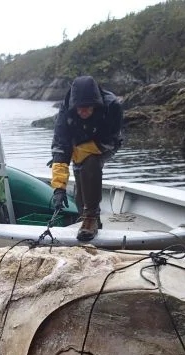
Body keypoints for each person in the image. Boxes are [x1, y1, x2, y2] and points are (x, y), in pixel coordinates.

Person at [49, 75, 123, 241]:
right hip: (77, 143)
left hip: (104, 143)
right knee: (79, 176)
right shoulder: (66, 110)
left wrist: (78, 153)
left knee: (90, 161)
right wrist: (59, 188)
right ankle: (88, 217)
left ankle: (90, 218)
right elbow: (61, 145)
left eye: (88, 108)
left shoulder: (112, 106)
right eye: (79, 108)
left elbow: (110, 140)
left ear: (95, 105)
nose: (83, 111)